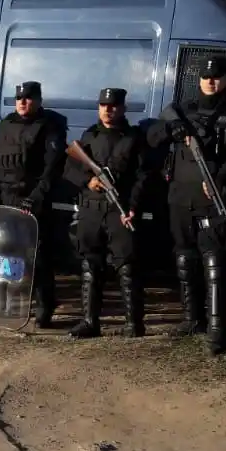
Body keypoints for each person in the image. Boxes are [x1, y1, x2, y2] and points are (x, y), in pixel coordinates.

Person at [147, 55, 226, 354]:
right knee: (185, 259)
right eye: (206, 76)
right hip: (180, 197)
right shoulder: (184, 110)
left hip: (216, 197)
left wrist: (220, 175)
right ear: (198, 79)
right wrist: (169, 130)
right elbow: (150, 136)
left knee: (216, 263)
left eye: (217, 76)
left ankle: (217, 331)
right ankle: (192, 320)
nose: (211, 81)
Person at [0, 80, 65, 326]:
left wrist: (37, 197)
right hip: (5, 200)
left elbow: (53, 167)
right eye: (19, 98)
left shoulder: (49, 127)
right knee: (3, 254)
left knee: (38, 257)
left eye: (28, 98)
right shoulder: (5, 125)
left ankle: (44, 306)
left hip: (33, 202)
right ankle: (3, 303)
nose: (22, 102)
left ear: (38, 100)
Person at [67, 87, 150, 339]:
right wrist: (87, 181)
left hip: (119, 209)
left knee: (127, 266)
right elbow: (69, 168)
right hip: (92, 209)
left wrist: (133, 206)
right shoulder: (89, 136)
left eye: (113, 105)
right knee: (90, 264)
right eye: (104, 105)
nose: (108, 109)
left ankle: (133, 324)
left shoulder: (134, 138)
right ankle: (90, 322)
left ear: (123, 108)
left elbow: (143, 176)